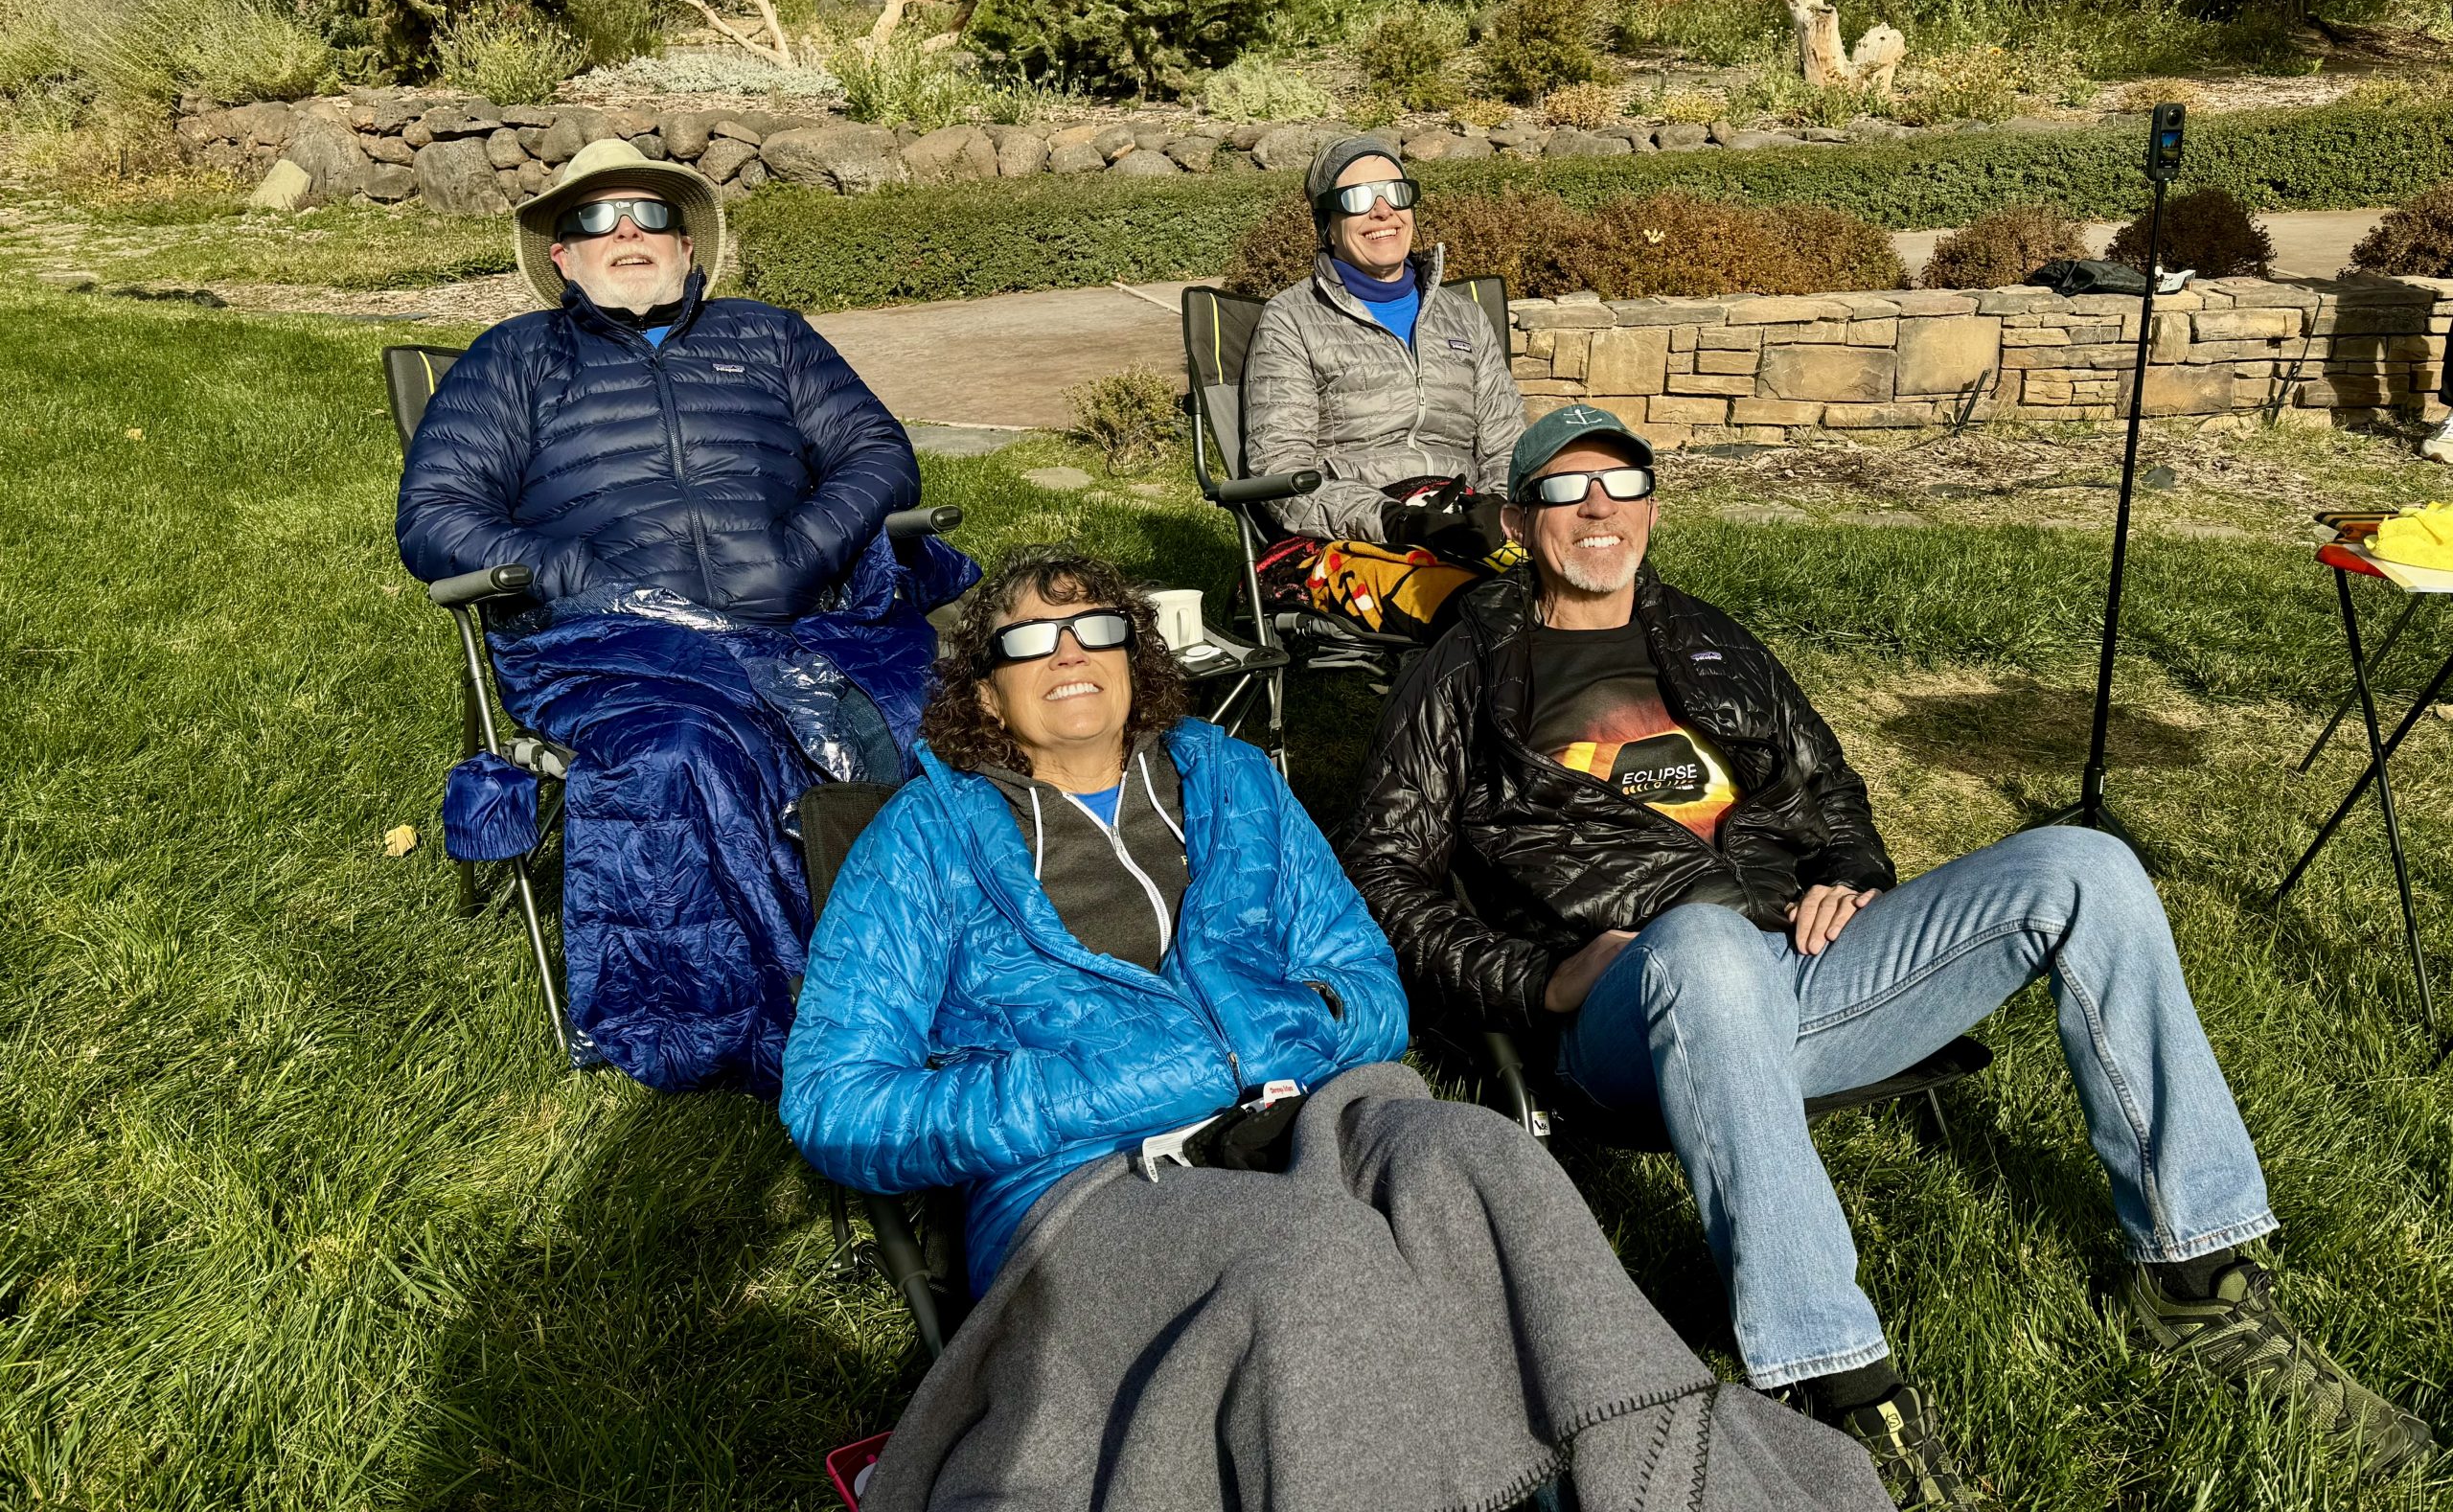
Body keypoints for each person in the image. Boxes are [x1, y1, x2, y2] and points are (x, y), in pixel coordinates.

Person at [1340, 404, 2440, 1505]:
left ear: (1651, 510)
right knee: (1711, 953)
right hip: (1634, 1002)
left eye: (1621, 488)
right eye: (1567, 490)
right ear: (1522, 518)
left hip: (1804, 972)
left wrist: (1850, 876)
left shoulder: (1709, 633)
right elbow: (1384, 879)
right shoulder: (1466, 670)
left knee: (2082, 864)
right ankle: (1835, 1383)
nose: (1597, 511)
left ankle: (2198, 1280)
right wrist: (1540, 978)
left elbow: (1829, 790)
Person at [781, 552, 1891, 1512]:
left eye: (1096, 626)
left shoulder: (1226, 779)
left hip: (1303, 1113)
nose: (1070, 652)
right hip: (1087, 1182)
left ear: (1136, 655)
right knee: (1313, 1257)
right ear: (984, 685)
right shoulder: (921, 841)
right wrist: (1114, 1082)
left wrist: (1275, 1050)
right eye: (1030, 636)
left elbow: (1366, 982)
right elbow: (836, 1102)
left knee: (1486, 1158)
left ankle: (1673, 1484)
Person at [397, 138, 971, 1094]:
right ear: (561, 258)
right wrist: (573, 566)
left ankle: (965, 970)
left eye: (650, 214)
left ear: (688, 247)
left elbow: (875, 455)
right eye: (593, 218)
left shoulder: (770, 336)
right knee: (683, 753)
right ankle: (774, 1013)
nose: (625, 231)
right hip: (615, 644)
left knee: (944, 718)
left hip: (798, 618)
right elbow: (434, 517)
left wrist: (800, 552)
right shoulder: (514, 361)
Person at [1240, 134, 1525, 639]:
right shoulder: (1292, 320)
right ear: (1327, 223)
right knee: (1480, 610)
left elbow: (1506, 445)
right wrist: (1393, 520)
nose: (1381, 212)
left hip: (1467, 518)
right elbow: (1281, 473)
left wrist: (1497, 509)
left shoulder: (1462, 316)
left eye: (1394, 192)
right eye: (1356, 199)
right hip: (1353, 538)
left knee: (1598, 579)